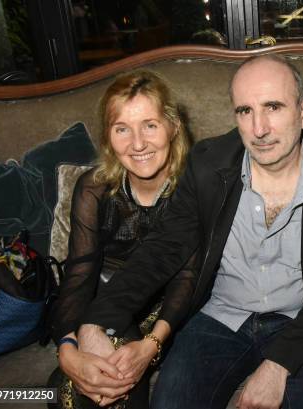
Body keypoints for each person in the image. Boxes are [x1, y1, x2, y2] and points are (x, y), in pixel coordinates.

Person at [78, 55, 303, 409]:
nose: (259, 129)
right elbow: (163, 248)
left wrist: (278, 365)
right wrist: (95, 321)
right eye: (245, 111)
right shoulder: (209, 164)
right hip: (222, 314)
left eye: (273, 107)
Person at [50, 70, 193, 409]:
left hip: (159, 308)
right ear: (108, 137)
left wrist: (152, 343)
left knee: (118, 375)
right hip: (101, 295)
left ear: (172, 127)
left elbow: (187, 280)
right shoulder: (94, 188)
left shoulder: (193, 188)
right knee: (66, 389)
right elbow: (79, 275)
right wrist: (68, 348)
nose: (138, 143)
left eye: (150, 125)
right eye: (122, 129)